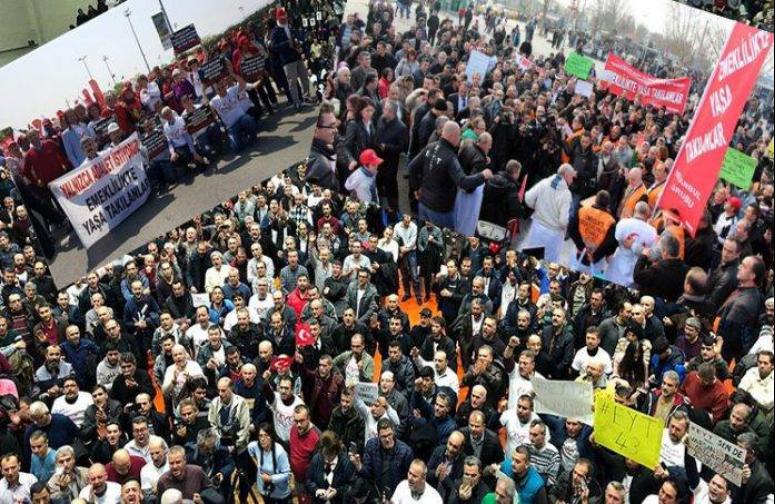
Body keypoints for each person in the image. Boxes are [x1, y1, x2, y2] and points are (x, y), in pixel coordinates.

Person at [408, 121, 492, 230]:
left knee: (424, 237)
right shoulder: (450, 157)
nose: (460, 139)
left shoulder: (430, 146)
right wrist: (483, 175)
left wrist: (416, 188)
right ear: (452, 136)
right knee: (443, 242)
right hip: (440, 211)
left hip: (423, 204)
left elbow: (411, 167)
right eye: (459, 136)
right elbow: (463, 182)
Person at [521, 164, 576, 263]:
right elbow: (563, 221)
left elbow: (528, 197)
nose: (572, 181)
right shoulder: (566, 194)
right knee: (546, 264)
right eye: (572, 177)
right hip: (553, 235)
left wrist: (536, 207)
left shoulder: (544, 182)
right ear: (566, 175)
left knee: (531, 260)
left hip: (537, 227)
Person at [248, 423, 292, 504]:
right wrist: (257, 464)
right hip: (264, 490)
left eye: (266, 435)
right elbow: (249, 448)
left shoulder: (280, 452)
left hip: (280, 493)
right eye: (260, 436)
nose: (263, 439)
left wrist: (271, 478)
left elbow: (287, 474)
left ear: (271, 436)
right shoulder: (255, 446)